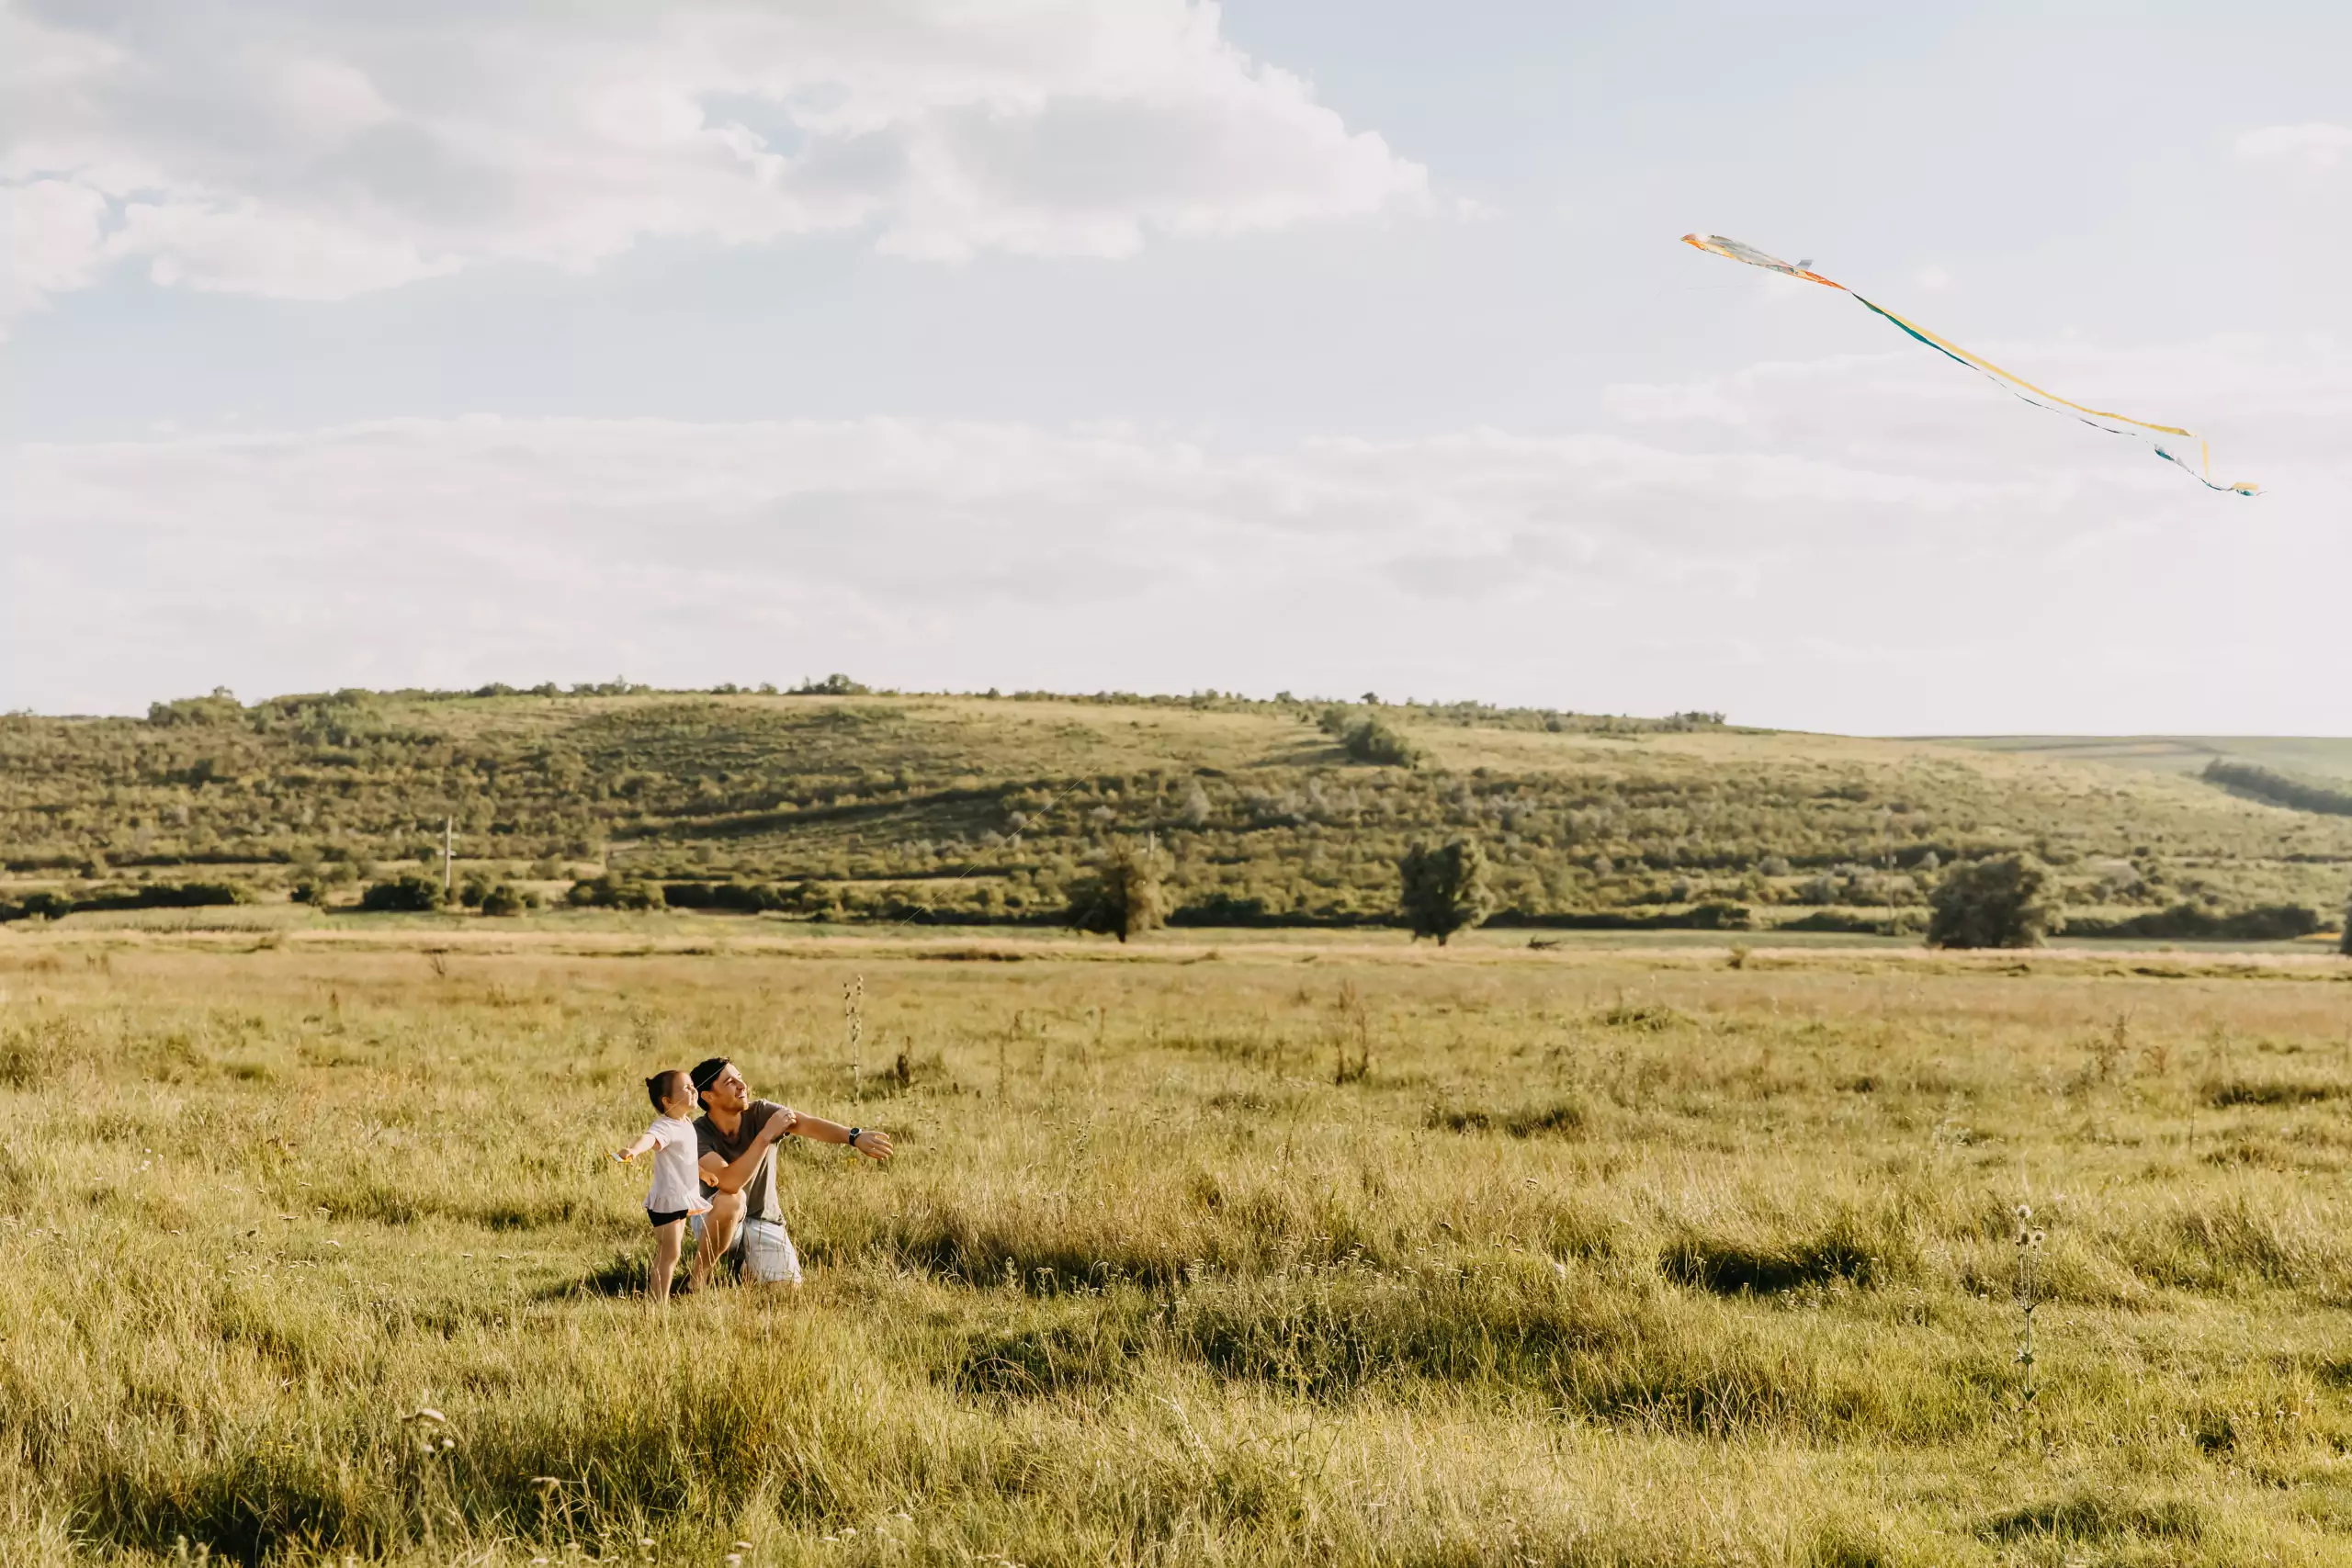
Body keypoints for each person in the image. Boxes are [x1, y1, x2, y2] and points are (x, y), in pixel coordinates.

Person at [687, 1056, 892, 1291]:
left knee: (787, 1289)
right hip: (715, 1216)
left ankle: (745, 1270)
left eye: (740, 1078)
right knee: (732, 1201)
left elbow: (807, 1124)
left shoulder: (761, 1112)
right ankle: (698, 1280)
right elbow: (729, 1183)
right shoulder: (697, 1134)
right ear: (708, 1096)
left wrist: (854, 1137)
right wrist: (765, 1137)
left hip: (764, 1219)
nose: (742, 1086)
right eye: (730, 1082)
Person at [612, 1067, 710, 1304]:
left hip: (679, 1199)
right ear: (667, 1101)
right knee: (669, 1254)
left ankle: (658, 1301)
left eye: (692, 1085)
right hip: (667, 1202)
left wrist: (702, 1173)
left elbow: (684, 1158)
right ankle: (659, 1304)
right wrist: (634, 1150)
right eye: (686, 1088)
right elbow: (650, 1138)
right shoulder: (665, 1126)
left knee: (669, 1253)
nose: (693, 1090)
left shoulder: (686, 1123)